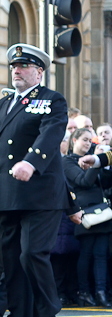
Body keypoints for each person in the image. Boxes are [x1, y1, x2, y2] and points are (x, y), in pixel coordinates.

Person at [0, 43, 81, 317]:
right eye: (14, 67)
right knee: (10, 258)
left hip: (41, 193)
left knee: (33, 253)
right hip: (8, 194)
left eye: (23, 66)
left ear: (39, 71)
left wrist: (31, 162)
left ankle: (48, 315)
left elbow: (50, 135)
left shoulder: (52, 100)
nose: (16, 71)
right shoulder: (2, 105)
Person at [63, 128, 112, 307]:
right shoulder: (67, 161)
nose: (88, 144)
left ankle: (100, 292)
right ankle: (84, 292)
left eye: (90, 140)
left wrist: (103, 163)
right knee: (86, 253)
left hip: (102, 212)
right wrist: (95, 163)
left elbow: (105, 183)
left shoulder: (93, 157)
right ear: (74, 140)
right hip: (84, 212)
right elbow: (83, 181)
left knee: (101, 254)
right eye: (84, 140)